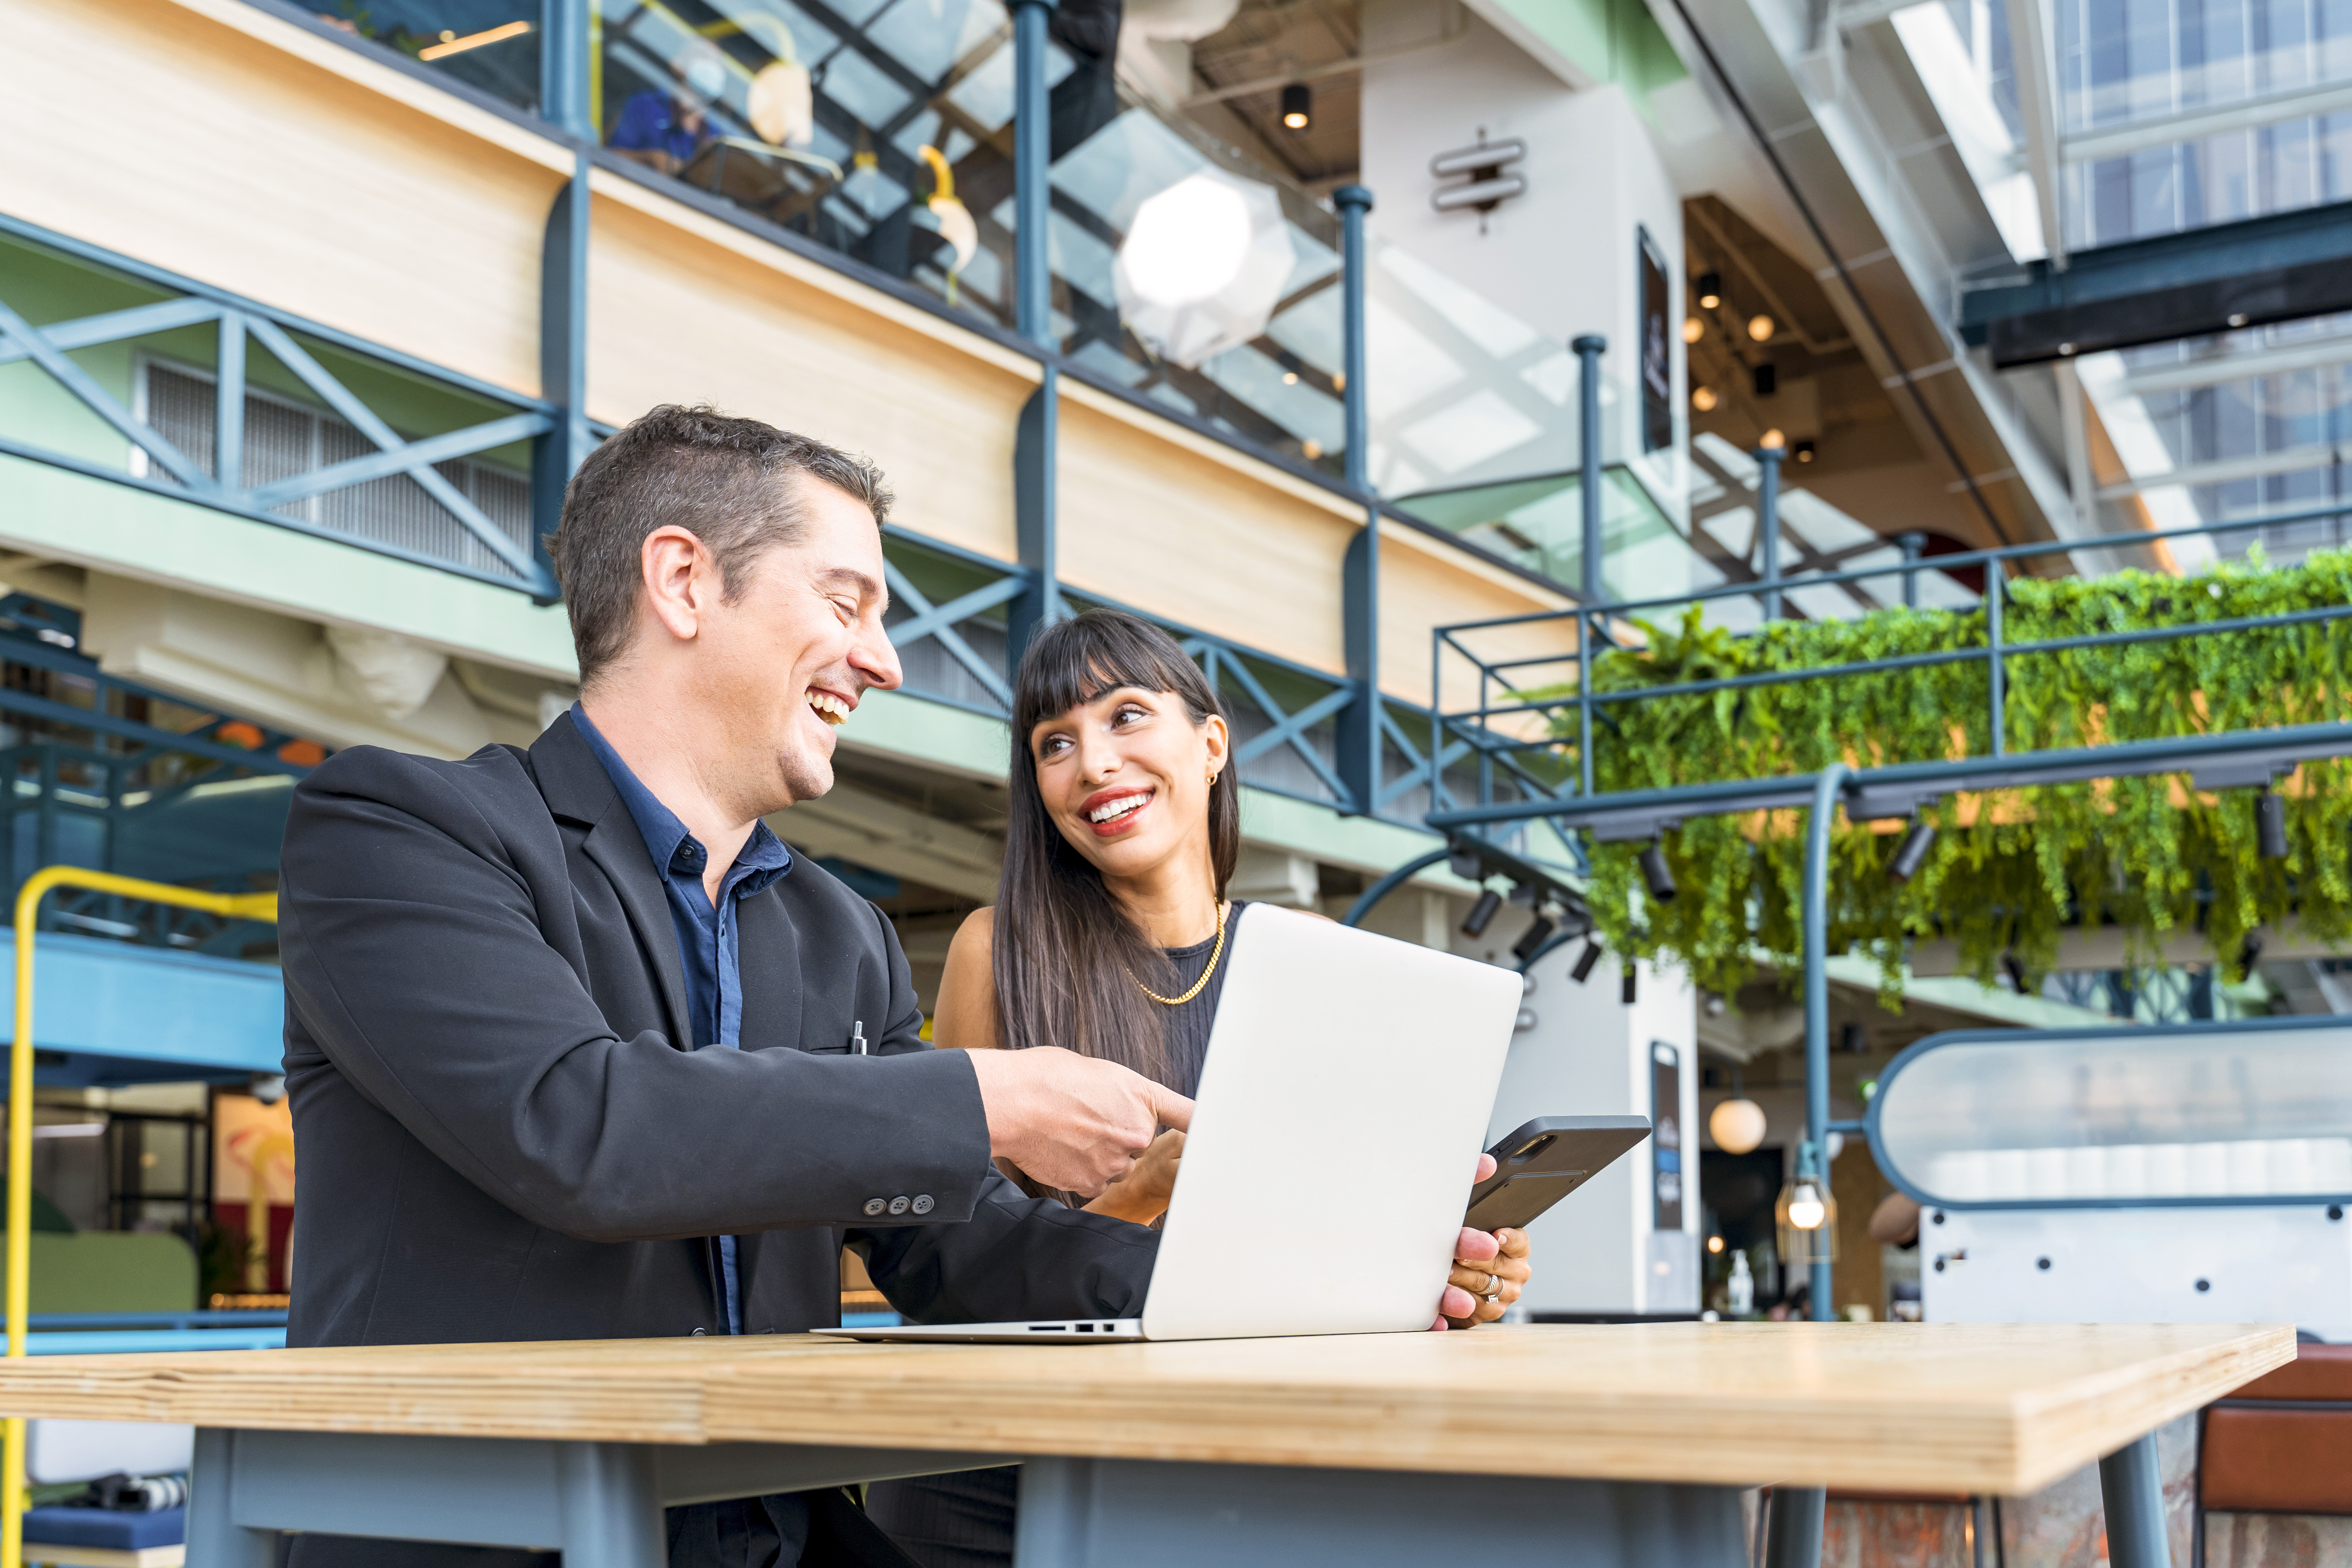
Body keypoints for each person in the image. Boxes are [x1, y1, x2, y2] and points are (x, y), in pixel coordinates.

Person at [278, 407, 1203, 1568]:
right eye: (845, 603)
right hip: (498, 1537)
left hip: (769, 1532)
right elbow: (577, 1127)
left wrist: (1266, 1278)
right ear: (682, 582)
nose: (884, 659)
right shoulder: (402, 830)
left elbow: (950, 1246)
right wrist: (981, 1097)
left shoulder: (838, 931)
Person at [866, 609, 1534, 1568]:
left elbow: (1328, 1266)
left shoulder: (1313, 962)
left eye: (1126, 716)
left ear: (1211, 744)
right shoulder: (995, 951)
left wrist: (1456, 1263)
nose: (1093, 763)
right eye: (1056, 743)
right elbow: (956, 1267)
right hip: (991, 1473)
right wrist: (1146, 1191)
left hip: (1222, 1462)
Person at [610, 50, 727, 176]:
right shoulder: (645, 104)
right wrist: (650, 158)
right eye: (703, 56)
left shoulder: (718, 135)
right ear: (678, 63)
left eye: (716, 63)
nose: (710, 67)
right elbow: (609, 157)